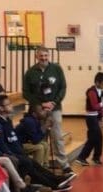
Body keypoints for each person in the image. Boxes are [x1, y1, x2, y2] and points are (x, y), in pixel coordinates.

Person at [22, 47, 73, 176]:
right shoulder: (30, 72)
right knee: (40, 136)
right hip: (37, 110)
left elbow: (63, 87)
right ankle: (43, 166)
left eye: (46, 56)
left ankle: (64, 164)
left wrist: (54, 102)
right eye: (41, 56)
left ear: (48, 56)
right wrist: (40, 104)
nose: (43, 58)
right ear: (36, 56)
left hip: (54, 108)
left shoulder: (56, 69)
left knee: (57, 136)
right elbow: (26, 92)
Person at [75, 72, 103, 166]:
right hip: (91, 118)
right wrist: (102, 104)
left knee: (98, 138)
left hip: (95, 117)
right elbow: (94, 106)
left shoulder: (99, 91)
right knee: (93, 138)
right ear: (97, 82)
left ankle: (96, 157)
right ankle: (81, 157)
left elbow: (100, 107)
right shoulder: (91, 92)